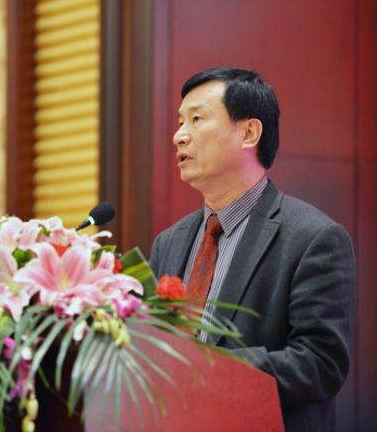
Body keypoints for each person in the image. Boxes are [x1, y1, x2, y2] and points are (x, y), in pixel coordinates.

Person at [148, 67, 356, 432]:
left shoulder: (313, 238)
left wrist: (207, 372)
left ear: (248, 133)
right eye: (180, 122)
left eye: (196, 120)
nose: (179, 136)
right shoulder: (169, 242)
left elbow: (321, 363)